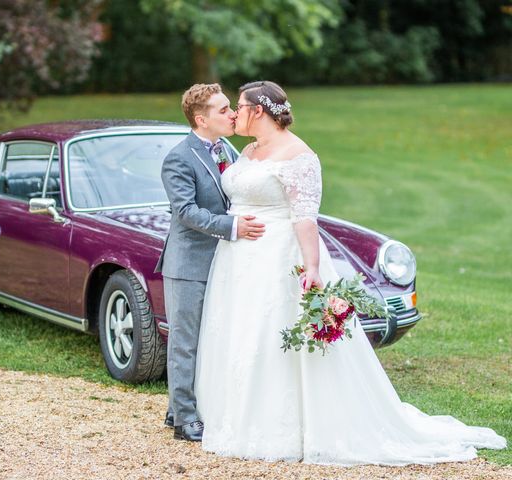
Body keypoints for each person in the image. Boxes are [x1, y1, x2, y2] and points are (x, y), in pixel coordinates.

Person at [194, 80, 506, 464]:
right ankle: (234, 418)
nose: (234, 114)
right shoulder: (249, 150)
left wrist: (311, 266)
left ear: (258, 111)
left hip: (278, 256)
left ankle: (283, 429)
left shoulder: (299, 157)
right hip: (238, 259)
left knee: (272, 331)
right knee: (242, 332)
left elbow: (305, 218)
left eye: (238, 107)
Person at [155, 83, 266, 442]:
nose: (232, 113)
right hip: (188, 265)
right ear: (201, 119)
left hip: (224, 263)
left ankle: (179, 409)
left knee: (213, 339)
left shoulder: (227, 149)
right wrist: (233, 226)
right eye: (222, 110)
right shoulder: (178, 158)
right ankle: (185, 419)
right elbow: (186, 212)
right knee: (185, 342)